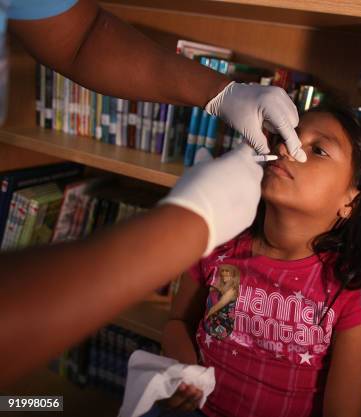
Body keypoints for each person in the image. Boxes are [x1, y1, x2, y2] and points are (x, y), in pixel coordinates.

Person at [0, 0, 307, 387]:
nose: (284, 149)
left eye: (317, 150)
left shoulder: (356, 279)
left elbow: (81, 36)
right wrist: (188, 225)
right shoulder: (221, 253)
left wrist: (222, 93)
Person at [158, 105, 361, 417]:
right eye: (286, 137)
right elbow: (177, 324)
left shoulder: (355, 289)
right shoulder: (217, 241)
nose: (286, 148)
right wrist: (183, 376)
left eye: (318, 150)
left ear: (351, 201)